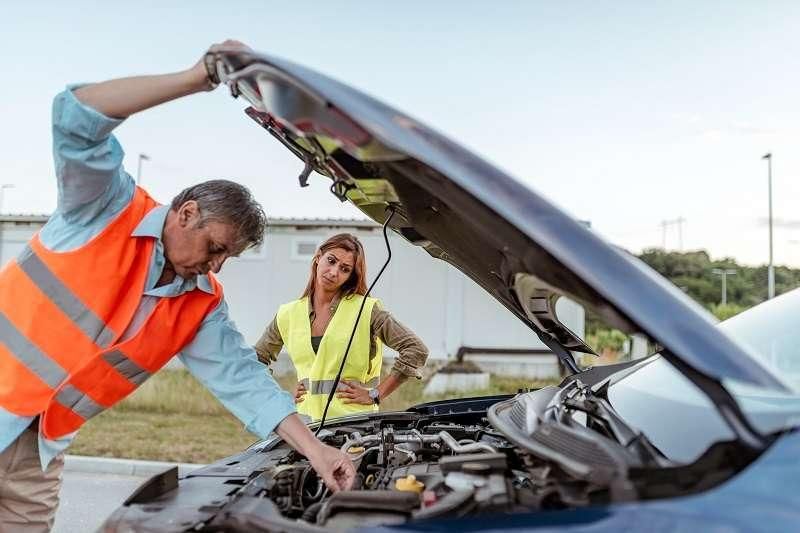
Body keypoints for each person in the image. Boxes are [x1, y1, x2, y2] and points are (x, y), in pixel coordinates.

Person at [0, 40, 355, 532]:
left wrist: (317, 451)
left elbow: (246, 384)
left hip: (38, 454)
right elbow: (74, 116)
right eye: (215, 248)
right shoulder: (103, 209)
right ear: (186, 213)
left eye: (227, 257)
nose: (217, 266)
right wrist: (194, 79)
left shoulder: (200, 304)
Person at [255, 233, 429, 421]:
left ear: (350, 276)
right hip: (304, 425)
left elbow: (416, 350)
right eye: (331, 261)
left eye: (344, 269)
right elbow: (255, 360)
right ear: (318, 257)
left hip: (352, 426)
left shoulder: (366, 310)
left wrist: (376, 394)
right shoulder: (287, 314)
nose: (333, 272)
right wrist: (278, 396)